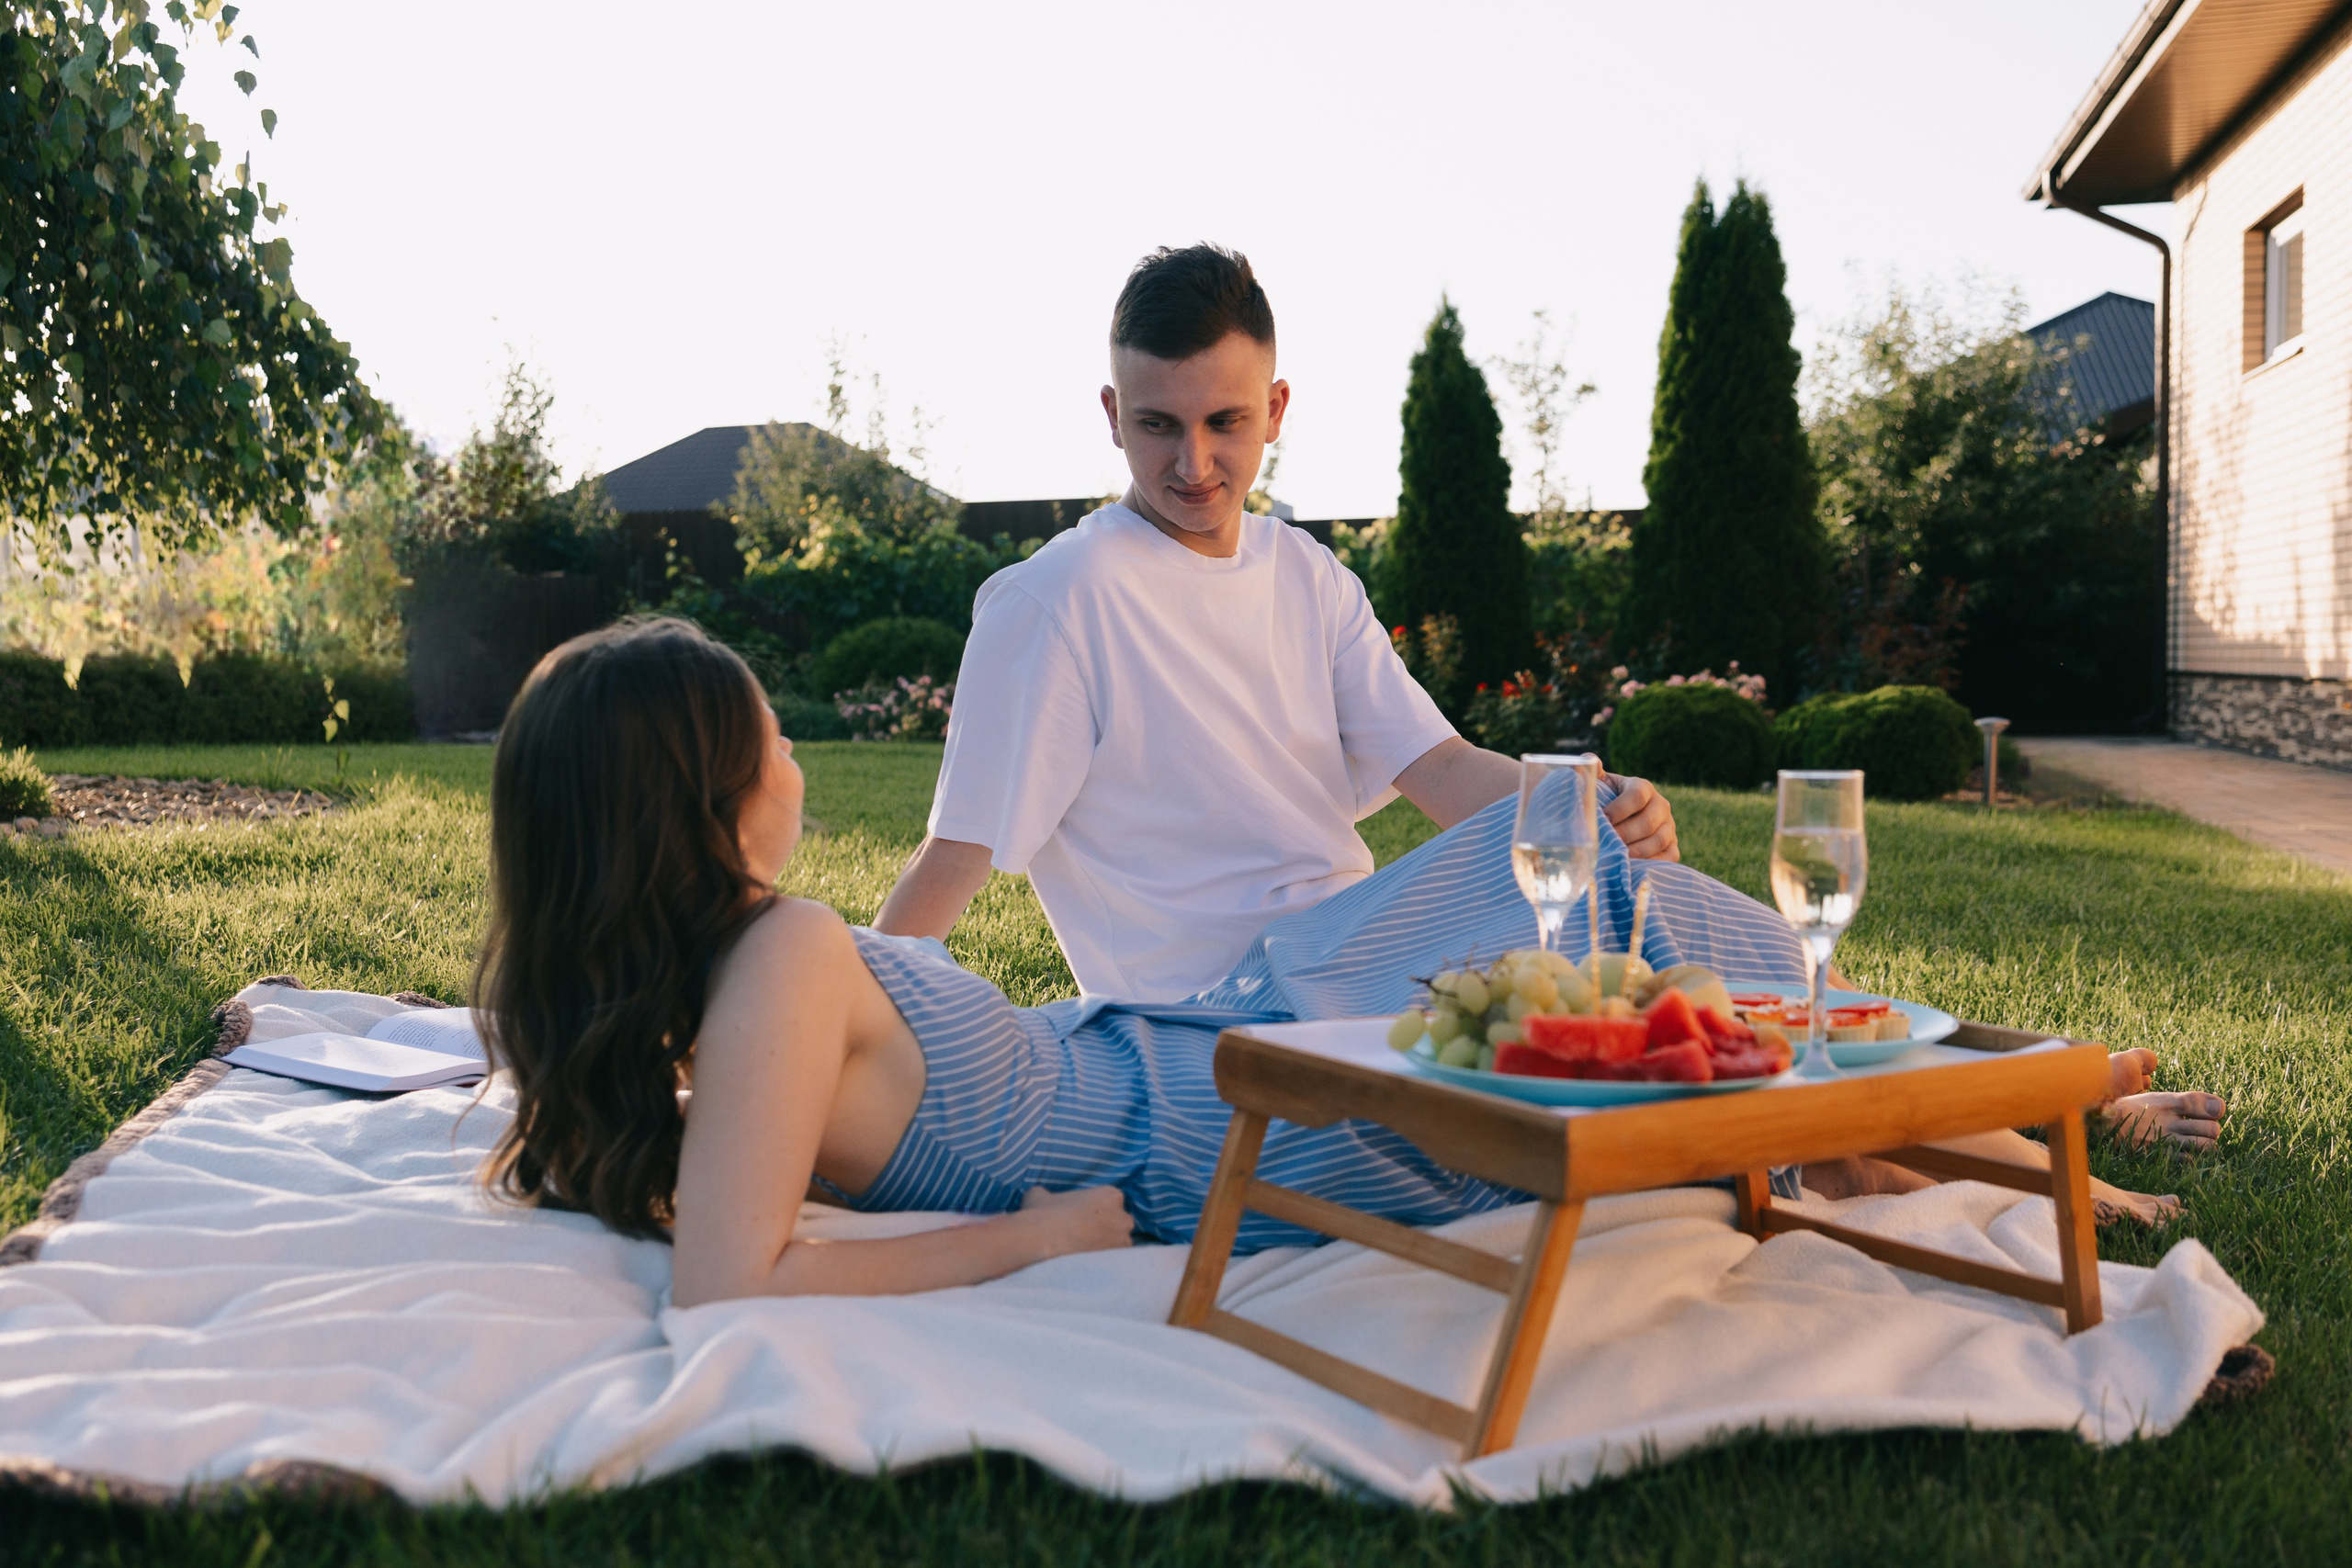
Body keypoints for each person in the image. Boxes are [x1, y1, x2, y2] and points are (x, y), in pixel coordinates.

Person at [476, 619, 2221, 1307]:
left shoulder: (732, 978)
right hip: (1226, 1125)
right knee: (1628, 949)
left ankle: (1990, 1109)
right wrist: (1037, 1237)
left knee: (1557, 860)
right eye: (773, 734)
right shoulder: (775, 953)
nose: (793, 758)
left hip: (1205, 1034)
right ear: (712, 791)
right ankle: (2032, 1125)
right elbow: (727, 1278)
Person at [873, 243, 1677, 1003]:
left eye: (1225, 421)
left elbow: (1439, 768)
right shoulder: (1054, 600)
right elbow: (956, 854)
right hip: (1207, 1013)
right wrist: (840, 1037)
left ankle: (1757, 1138)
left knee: (1644, 912)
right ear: (1114, 415)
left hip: (1353, 959)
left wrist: (1597, 810)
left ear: (1276, 407)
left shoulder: (1307, 574)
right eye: (1159, 425)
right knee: (1615, 947)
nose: (1193, 463)